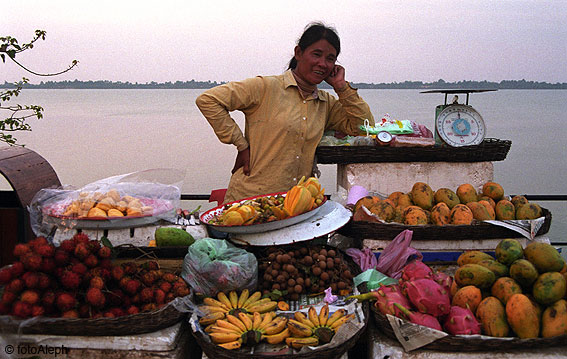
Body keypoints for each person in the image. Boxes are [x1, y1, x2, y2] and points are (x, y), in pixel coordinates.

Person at [196, 22, 375, 204]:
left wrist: (341, 87)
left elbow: (364, 128)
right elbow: (208, 100)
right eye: (316, 54)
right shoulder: (265, 87)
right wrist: (241, 144)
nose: (323, 63)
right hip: (249, 202)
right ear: (298, 53)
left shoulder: (326, 103)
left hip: (295, 205)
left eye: (330, 58)